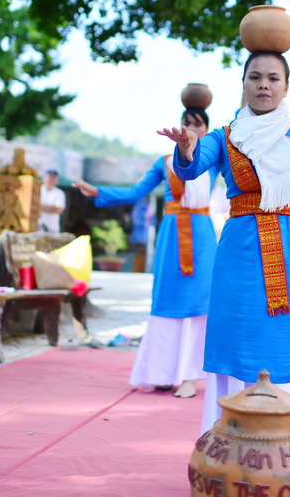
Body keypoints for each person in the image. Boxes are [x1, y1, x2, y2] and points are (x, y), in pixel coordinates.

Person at [160, 18, 290, 449]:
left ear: (286, 87)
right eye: (255, 77)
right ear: (243, 84)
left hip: (289, 248)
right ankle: (229, 447)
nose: (264, 85)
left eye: (273, 78)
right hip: (240, 253)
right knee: (237, 335)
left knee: (289, 337)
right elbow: (192, 165)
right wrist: (185, 149)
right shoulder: (224, 138)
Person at [74, 107, 218, 399]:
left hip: (202, 237)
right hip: (173, 236)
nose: (190, 129)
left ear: (206, 130)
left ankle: (190, 376)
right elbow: (135, 193)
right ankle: (161, 373)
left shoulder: (214, 161)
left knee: (199, 304)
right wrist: (99, 192)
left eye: (197, 124)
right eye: (186, 123)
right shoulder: (164, 163)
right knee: (167, 301)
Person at [38, 169, 66, 234]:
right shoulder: (37, 190)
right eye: (50, 177)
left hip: (52, 230)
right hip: (37, 228)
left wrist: (40, 207)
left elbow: (59, 209)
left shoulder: (60, 193)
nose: (51, 179)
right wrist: (51, 207)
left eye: (54, 178)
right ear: (44, 178)